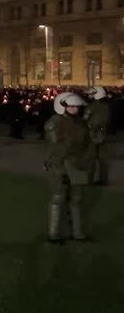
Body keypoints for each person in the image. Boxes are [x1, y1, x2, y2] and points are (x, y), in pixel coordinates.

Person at [43, 92, 92, 243]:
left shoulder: (81, 123)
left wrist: (85, 158)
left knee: (77, 199)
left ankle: (77, 233)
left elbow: (87, 142)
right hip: (60, 164)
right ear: (62, 106)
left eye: (77, 107)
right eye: (72, 106)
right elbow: (57, 147)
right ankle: (53, 234)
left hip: (78, 164)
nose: (75, 109)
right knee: (58, 198)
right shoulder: (54, 123)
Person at [84, 86, 110, 186]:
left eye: (91, 93)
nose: (89, 95)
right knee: (103, 160)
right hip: (103, 134)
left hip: (92, 135)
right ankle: (103, 180)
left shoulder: (91, 107)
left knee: (91, 159)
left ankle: (89, 181)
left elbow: (84, 120)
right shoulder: (106, 107)